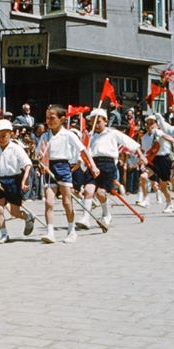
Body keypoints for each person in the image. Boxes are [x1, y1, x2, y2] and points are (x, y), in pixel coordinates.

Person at [37, 104, 100, 244]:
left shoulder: (68, 134)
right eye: (47, 118)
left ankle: (71, 230)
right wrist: (40, 160)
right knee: (48, 202)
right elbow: (38, 154)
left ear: (62, 119)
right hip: (49, 167)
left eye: (52, 118)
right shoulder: (45, 136)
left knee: (66, 201)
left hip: (63, 167)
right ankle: (50, 232)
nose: (49, 121)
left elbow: (83, 151)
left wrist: (93, 166)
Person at [79, 108, 144, 230]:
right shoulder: (90, 136)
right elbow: (84, 152)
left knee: (100, 193)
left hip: (108, 164)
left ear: (105, 121)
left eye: (98, 121)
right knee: (88, 190)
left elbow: (130, 143)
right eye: (92, 122)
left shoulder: (113, 133)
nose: (95, 125)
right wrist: (83, 165)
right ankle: (85, 218)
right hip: (92, 164)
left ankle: (106, 214)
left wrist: (141, 155)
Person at [0, 120, 36, 243]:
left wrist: (24, 181)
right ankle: (4, 234)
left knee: (14, 212)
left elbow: (28, 164)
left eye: (4, 135)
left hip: (14, 179)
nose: (1, 138)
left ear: (11, 134)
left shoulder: (16, 148)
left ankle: (27, 217)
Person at [140, 114, 174, 211]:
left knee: (163, 186)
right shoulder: (144, 138)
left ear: (157, 124)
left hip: (164, 159)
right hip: (152, 160)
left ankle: (169, 203)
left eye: (152, 123)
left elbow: (172, 140)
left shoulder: (160, 132)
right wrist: (143, 163)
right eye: (147, 123)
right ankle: (146, 199)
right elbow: (145, 152)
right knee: (143, 177)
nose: (149, 125)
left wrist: (161, 135)